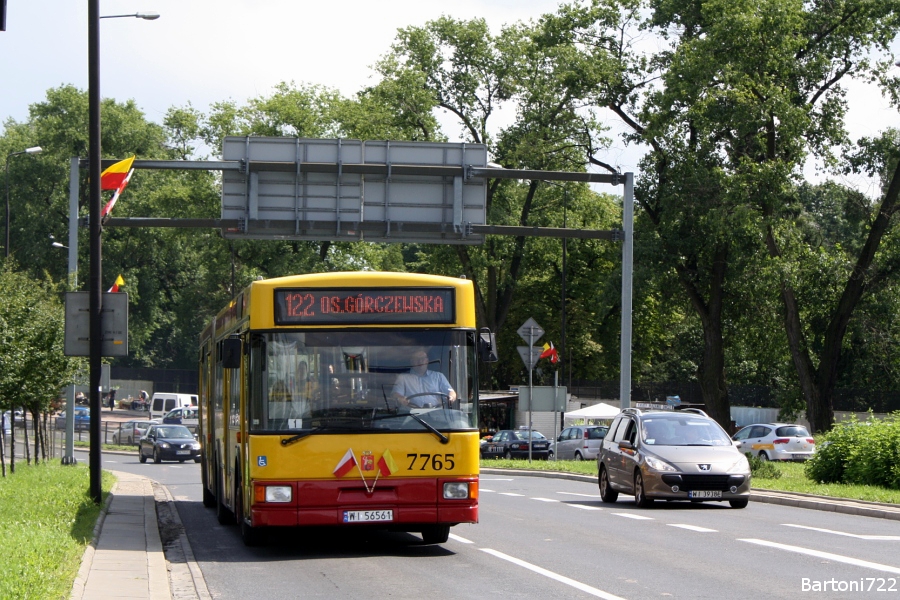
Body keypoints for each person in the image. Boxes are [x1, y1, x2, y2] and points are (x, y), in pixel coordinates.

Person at [392, 349, 456, 408]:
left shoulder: (439, 376)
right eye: (416, 359)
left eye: (422, 358)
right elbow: (396, 394)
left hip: (436, 414)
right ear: (411, 361)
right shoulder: (403, 378)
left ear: (427, 361)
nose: (420, 361)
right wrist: (401, 398)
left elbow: (451, 392)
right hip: (411, 414)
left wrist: (451, 397)